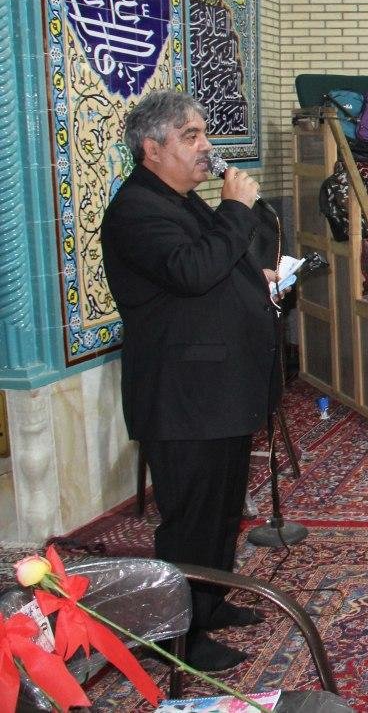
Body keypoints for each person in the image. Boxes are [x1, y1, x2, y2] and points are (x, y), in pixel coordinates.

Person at [102, 90, 278, 671]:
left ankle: (207, 602)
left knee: (222, 512)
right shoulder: (136, 210)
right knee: (191, 520)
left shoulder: (182, 201)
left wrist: (256, 277)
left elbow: (214, 264)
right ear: (152, 149)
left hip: (217, 393)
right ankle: (177, 638)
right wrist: (235, 210)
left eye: (203, 133)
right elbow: (192, 272)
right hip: (183, 398)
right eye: (191, 136)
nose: (206, 146)